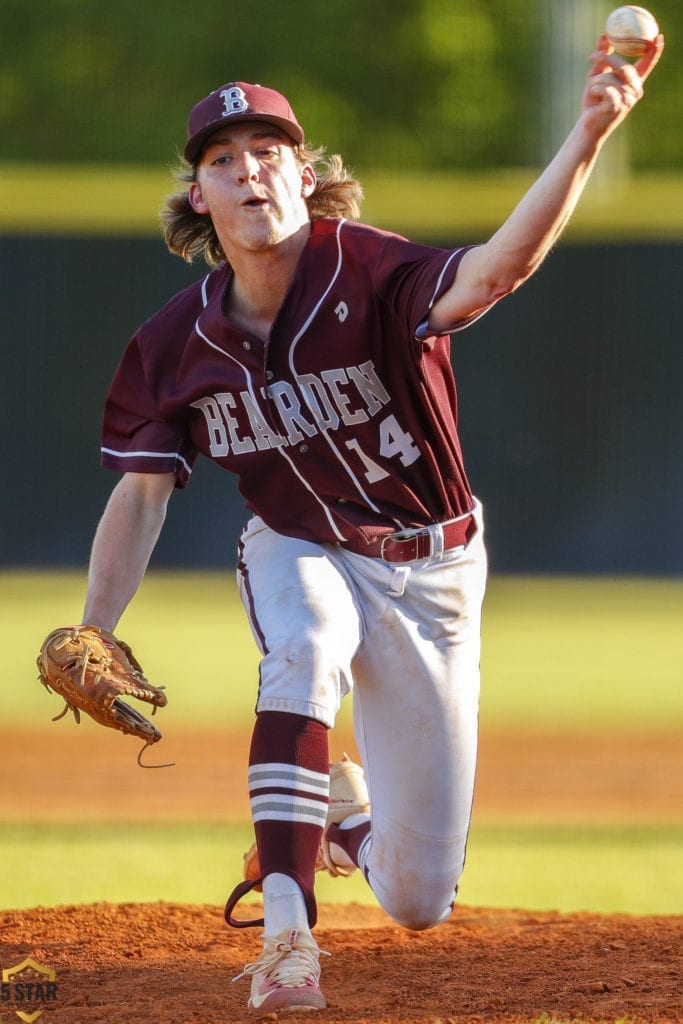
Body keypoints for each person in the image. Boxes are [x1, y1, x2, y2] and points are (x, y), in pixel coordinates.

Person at [79, 31, 662, 1014]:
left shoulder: (372, 270)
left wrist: (589, 134)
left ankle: (345, 818)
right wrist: (96, 623)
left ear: (304, 176)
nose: (248, 169)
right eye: (223, 160)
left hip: (433, 572)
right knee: (300, 645)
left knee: (417, 897)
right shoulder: (173, 344)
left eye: (268, 151)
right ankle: (286, 937)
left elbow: (492, 273)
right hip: (298, 542)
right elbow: (140, 491)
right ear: (200, 201)